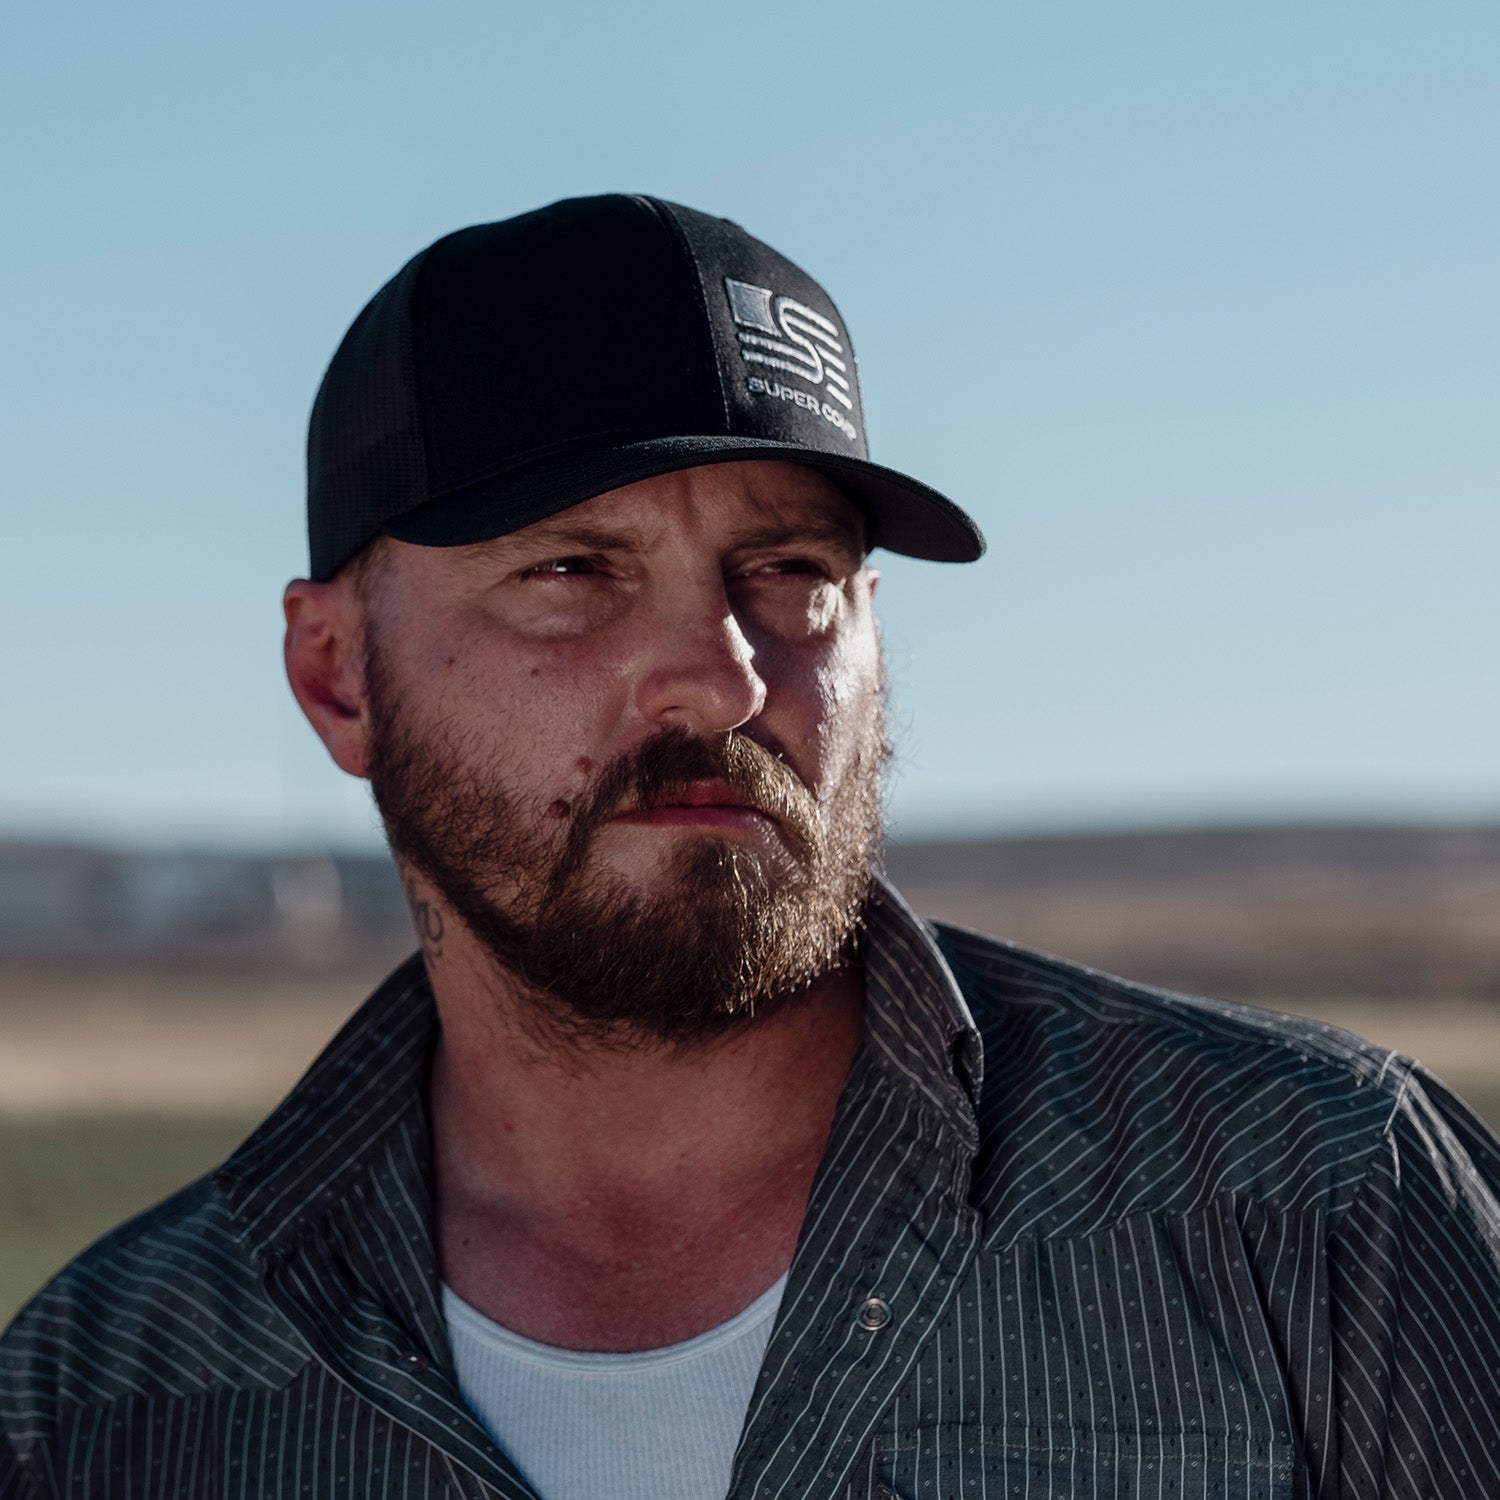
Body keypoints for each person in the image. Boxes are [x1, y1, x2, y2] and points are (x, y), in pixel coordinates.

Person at [2, 195, 1497, 1500]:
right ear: (338, 677)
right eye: (573, 571)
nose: (722, 681)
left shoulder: (1310, 1203)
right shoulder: (105, 1400)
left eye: (790, 571)